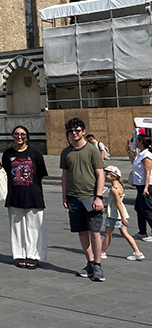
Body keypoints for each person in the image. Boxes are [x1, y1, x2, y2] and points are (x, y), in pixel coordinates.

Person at [60, 117, 106, 281]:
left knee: (94, 232)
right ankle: (90, 262)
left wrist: (99, 197)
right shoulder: (66, 152)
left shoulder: (92, 150)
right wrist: (64, 195)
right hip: (73, 197)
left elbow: (100, 174)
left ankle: (98, 265)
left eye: (77, 130)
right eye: (71, 131)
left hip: (91, 197)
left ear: (83, 132)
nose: (74, 133)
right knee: (81, 232)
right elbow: (64, 175)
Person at [1, 126, 48, 269]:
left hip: (33, 195)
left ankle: (34, 255)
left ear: (27, 136)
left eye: (22, 134)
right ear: (13, 136)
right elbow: (6, 172)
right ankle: (20, 254)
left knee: (34, 227)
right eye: (16, 134)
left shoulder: (35, 153)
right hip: (15, 195)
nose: (19, 136)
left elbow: (39, 174)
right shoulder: (8, 154)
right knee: (17, 227)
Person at [100, 165, 144, 261]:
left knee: (108, 234)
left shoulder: (114, 189)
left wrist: (123, 217)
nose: (105, 175)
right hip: (120, 213)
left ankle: (102, 252)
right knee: (125, 233)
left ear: (114, 176)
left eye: (107, 174)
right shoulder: (120, 186)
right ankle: (137, 252)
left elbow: (118, 203)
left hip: (114, 213)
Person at [126, 133, 152, 242]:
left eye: (136, 140)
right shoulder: (140, 154)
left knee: (147, 209)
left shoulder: (147, 155)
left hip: (146, 185)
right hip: (139, 185)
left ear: (141, 142)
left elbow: (148, 172)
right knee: (139, 208)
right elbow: (134, 163)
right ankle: (142, 231)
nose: (134, 142)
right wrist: (129, 152)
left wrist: (146, 187)